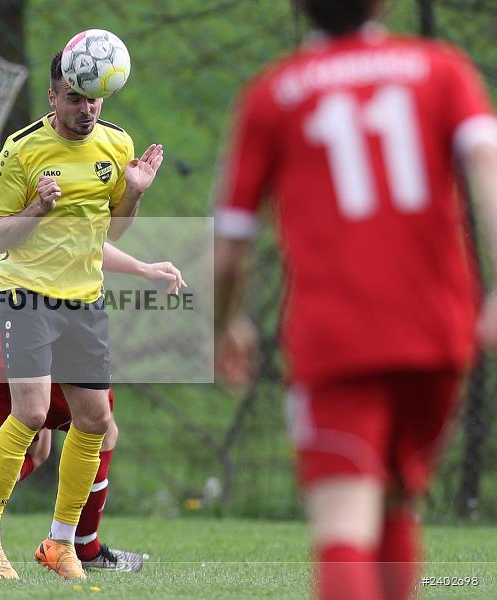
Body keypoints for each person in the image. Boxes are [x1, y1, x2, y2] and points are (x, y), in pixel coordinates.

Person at [213, 1, 497, 599]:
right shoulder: (440, 69)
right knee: (395, 499)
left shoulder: (274, 95)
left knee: (344, 523)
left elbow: (231, 243)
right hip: (439, 331)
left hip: (338, 339)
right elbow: (485, 160)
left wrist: (224, 323)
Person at [0, 49, 163, 580]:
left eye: (92, 99)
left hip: (85, 300)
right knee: (30, 416)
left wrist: (134, 195)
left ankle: (60, 543)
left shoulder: (116, 144)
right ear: (53, 97)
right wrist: (36, 210)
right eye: (73, 98)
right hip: (26, 295)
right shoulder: (21, 149)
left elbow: (111, 232)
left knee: (95, 420)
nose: (85, 109)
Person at [0, 237, 185, 574]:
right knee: (101, 428)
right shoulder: (37, 211)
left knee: (31, 447)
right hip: (42, 343)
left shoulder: (28, 213)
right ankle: (85, 546)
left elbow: (89, 241)